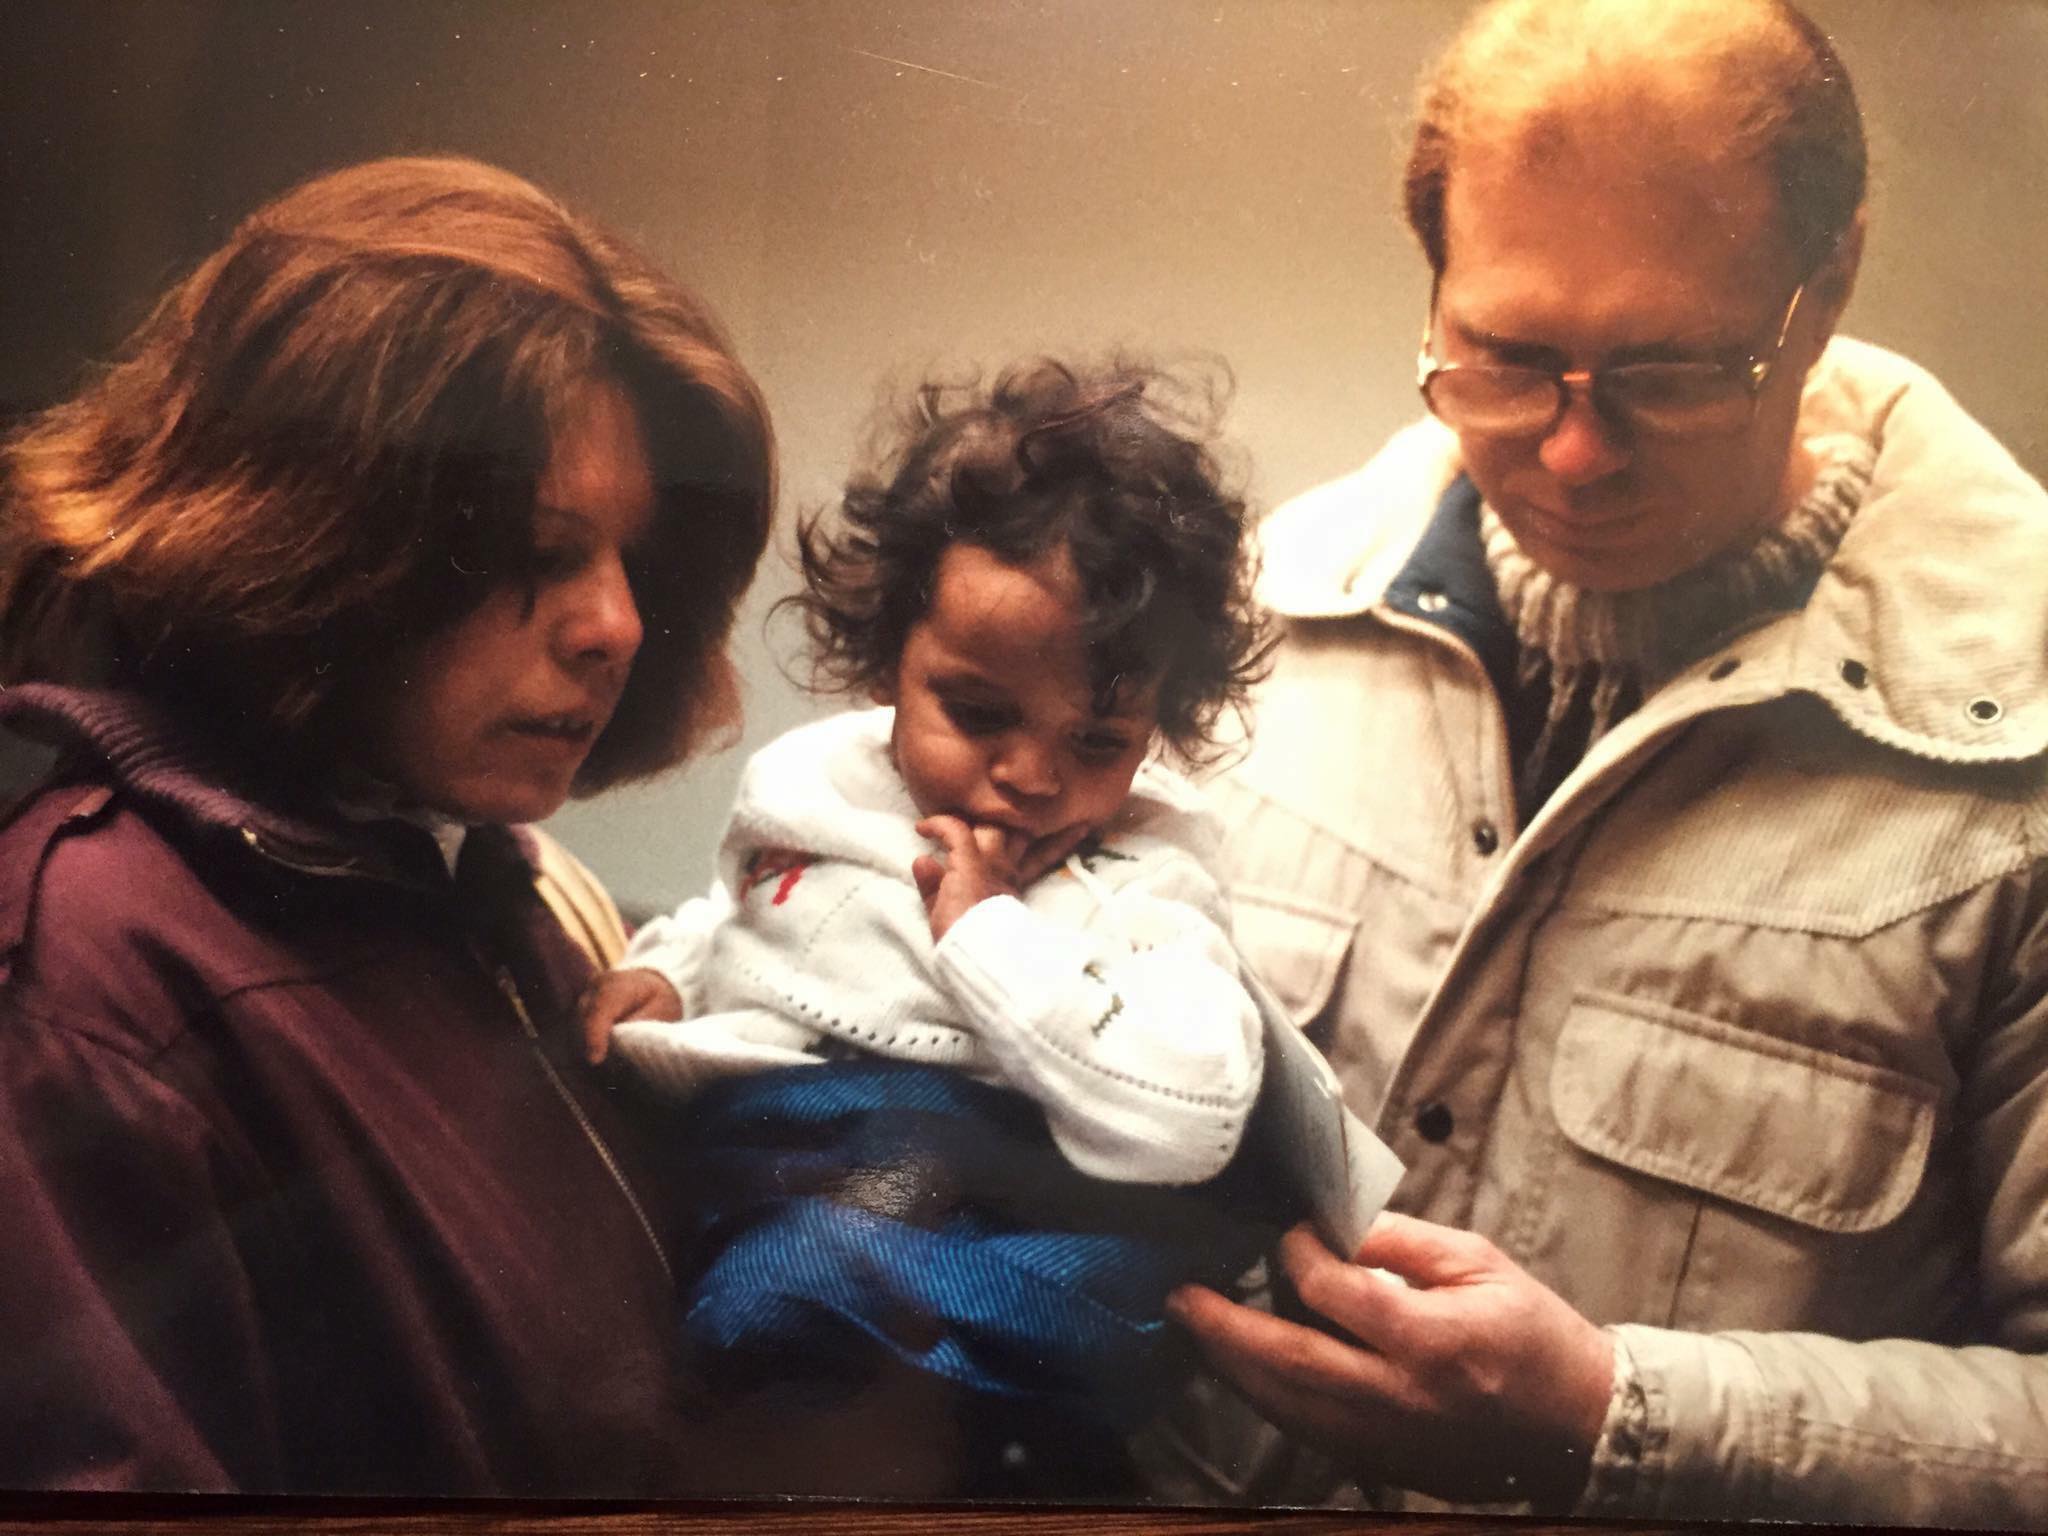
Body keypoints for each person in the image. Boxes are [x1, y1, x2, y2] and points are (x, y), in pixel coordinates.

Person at [1167, 0, 2048, 1526]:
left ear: (1826, 279)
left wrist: (1613, 1427)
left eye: (1672, 371)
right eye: (1506, 356)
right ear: (1433, 278)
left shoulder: (2019, 749)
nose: (1573, 456)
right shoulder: (1261, 612)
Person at [0, 155, 775, 1494]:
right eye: (538, 554)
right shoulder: (91, 987)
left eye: (634, 562)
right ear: (310, 539)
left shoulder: (492, 891)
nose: (618, 628)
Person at [578, 360, 1279, 1493]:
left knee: (832, 1296)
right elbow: (757, 915)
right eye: (979, 712)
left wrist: (988, 934)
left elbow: (1189, 1116)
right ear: (886, 660)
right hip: (785, 1169)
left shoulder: (1146, 876)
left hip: (1005, 1220)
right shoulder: (820, 786)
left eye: (1098, 741)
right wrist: (667, 974)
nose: (1029, 777)